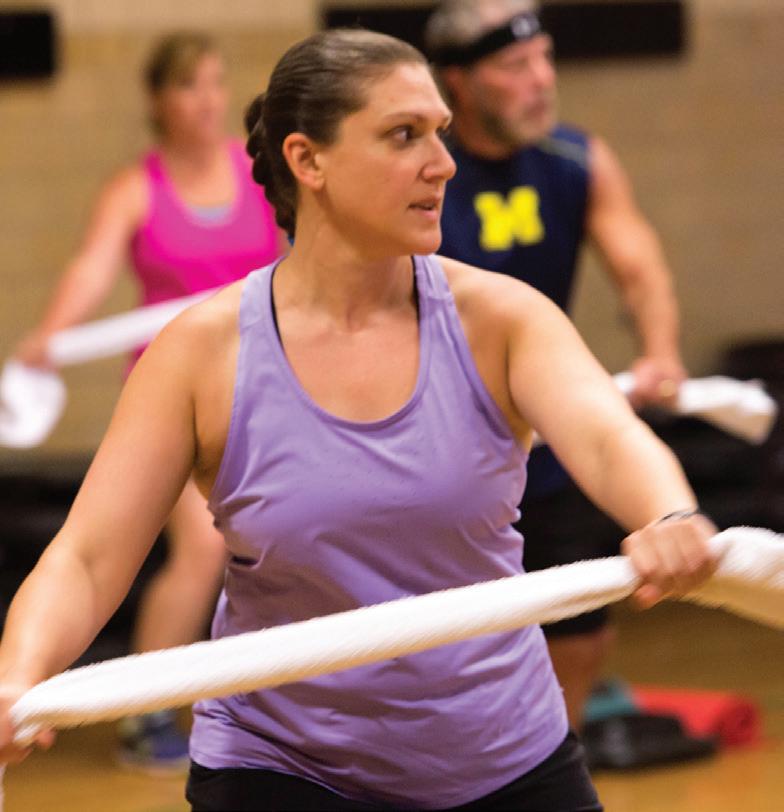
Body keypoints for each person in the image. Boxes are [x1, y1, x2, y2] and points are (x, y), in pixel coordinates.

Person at [0, 29, 717, 812]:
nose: (442, 163)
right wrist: (16, 676)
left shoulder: (503, 319)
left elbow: (609, 439)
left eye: (440, 132)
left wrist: (668, 513)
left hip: (500, 754)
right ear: (308, 161)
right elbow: (88, 559)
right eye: (404, 135)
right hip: (281, 763)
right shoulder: (201, 354)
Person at [12, 31, 285, 772]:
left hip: (267, 388)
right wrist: (51, 336)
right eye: (189, 85)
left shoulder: (254, 172)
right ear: (159, 101)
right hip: (176, 399)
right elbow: (91, 270)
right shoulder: (137, 188)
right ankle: (147, 712)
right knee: (202, 548)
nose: (206, 100)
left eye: (215, 82)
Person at [425, 0, 689, 729]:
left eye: (544, 58)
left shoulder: (576, 161)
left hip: (547, 434)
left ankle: (550, 753)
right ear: (460, 81)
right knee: (448, 643)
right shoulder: (422, 175)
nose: (542, 79)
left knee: (580, 631)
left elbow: (638, 267)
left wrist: (660, 351)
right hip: (441, 448)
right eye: (516, 66)